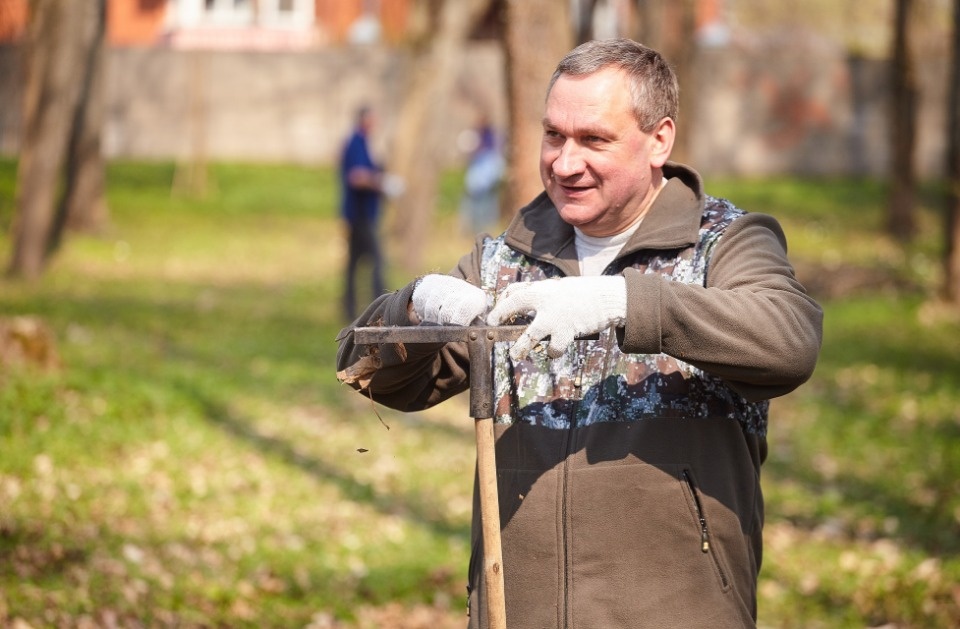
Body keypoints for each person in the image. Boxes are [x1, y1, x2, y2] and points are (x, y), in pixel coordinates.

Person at [337, 39, 823, 628]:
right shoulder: (505, 260)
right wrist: (414, 305)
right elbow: (370, 372)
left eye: (594, 140)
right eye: (553, 135)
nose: (565, 163)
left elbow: (790, 342)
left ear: (659, 140)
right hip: (519, 614)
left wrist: (625, 303)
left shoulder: (722, 243)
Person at [339, 105, 395, 321]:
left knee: (354, 263)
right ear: (364, 120)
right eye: (373, 119)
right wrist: (381, 183)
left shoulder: (365, 143)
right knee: (377, 260)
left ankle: (350, 308)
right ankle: (382, 308)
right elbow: (356, 176)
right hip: (360, 215)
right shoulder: (356, 142)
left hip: (365, 213)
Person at [458, 114, 504, 235]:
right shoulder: (477, 138)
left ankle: (485, 230)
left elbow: (493, 165)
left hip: (486, 185)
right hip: (476, 187)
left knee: (486, 210)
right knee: (473, 209)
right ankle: (472, 230)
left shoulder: (490, 140)